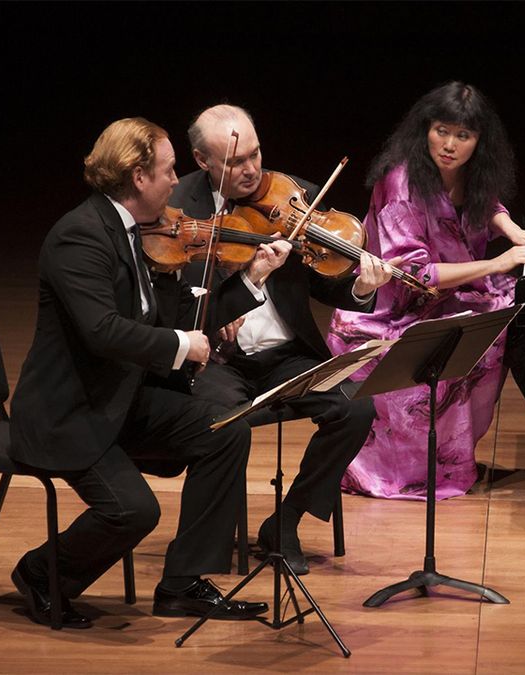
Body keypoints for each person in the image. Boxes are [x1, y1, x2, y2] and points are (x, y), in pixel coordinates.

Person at [8, 117, 273, 629]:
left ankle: (182, 584)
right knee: (136, 511)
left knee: (226, 431)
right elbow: (102, 331)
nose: (177, 183)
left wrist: (251, 278)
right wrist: (182, 346)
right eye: (169, 171)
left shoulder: (142, 234)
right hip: (69, 413)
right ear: (137, 176)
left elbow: (177, 321)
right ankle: (41, 573)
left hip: (119, 400)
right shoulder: (79, 238)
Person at [326, 81, 525, 501]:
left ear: (479, 141)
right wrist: (499, 263)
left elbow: (489, 205)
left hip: (456, 296)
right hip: (404, 314)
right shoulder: (401, 185)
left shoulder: (469, 172)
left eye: (463, 136)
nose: (449, 145)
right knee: (520, 319)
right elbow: (416, 275)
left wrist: (513, 230)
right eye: (442, 131)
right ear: (425, 129)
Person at [164, 104, 392, 575]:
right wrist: (213, 302)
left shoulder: (294, 195)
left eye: (256, 154)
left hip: (284, 357)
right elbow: (164, 295)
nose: (250, 170)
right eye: (234, 162)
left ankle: (285, 520)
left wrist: (361, 287)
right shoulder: (176, 207)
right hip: (216, 364)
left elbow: (329, 283)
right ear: (203, 160)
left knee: (355, 408)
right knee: (225, 425)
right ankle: (198, 562)